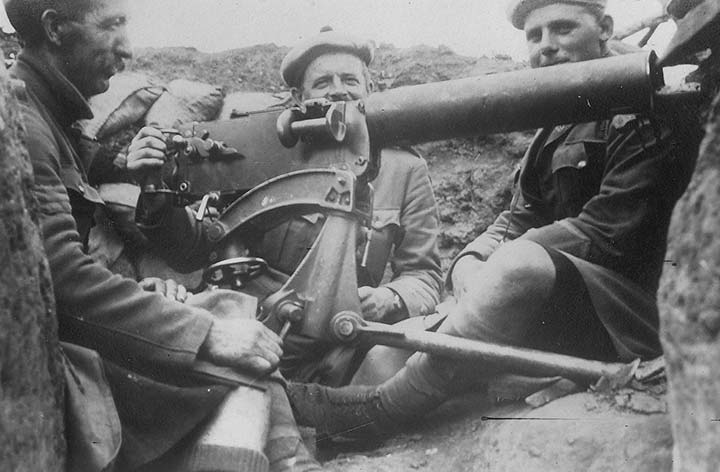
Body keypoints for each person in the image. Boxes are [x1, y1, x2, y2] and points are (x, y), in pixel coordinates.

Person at [285, 0, 699, 439]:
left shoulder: (642, 103)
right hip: (567, 302)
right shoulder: (558, 124)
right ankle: (340, 436)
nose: (547, 46)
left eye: (562, 29)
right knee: (392, 347)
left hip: (635, 313)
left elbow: (610, 231)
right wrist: (471, 259)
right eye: (535, 36)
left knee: (517, 265)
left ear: (604, 29)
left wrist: (500, 265)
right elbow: (516, 216)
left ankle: (386, 409)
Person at [4, 1, 320, 471]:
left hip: (67, 341)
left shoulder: (51, 118)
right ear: (55, 28)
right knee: (235, 358)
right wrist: (205, 336)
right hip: (48, 366)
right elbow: (59, 278)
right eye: (111, 25)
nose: (127, 48)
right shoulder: (25, 125)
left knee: (230, 315)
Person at [132, 28, 443, 386]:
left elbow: (425, 276)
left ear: (369, 89)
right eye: (323, 82)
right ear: (299, 96)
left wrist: (389, 299)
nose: (339, 89)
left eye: (350, 80)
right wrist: (154, 194)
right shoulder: (263, 153)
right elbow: (193, 251)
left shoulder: (404, 169)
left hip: (338, 344)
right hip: (249, 332)